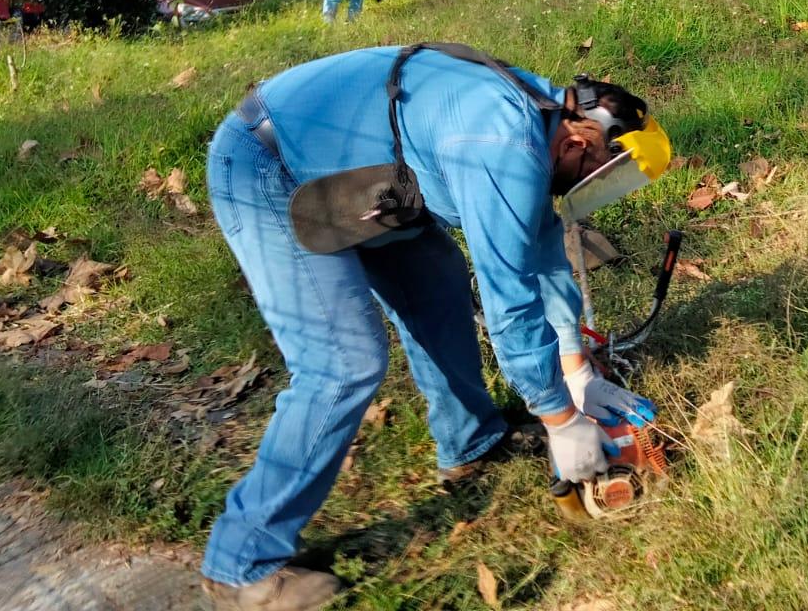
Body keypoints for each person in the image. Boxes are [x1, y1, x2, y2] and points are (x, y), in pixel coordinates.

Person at [200, 43, 671, 610]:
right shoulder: (503, 141)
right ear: (577, 140)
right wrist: (561, 419)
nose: (590, 192)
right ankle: (239, 563)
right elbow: (511, 300)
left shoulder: (542, 112)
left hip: (369, 178)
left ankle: (471, 442)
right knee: (344, 365)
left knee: (438, 284)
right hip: (272, 167)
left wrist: (577, 373)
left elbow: (541, 253)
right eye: (596, 174)